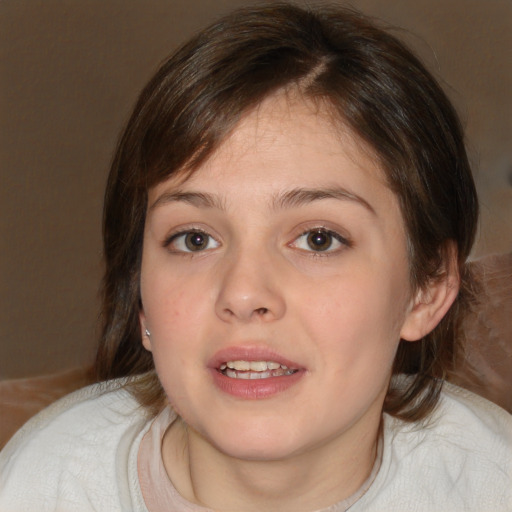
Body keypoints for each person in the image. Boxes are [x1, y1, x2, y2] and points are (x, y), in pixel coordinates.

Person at [1, 3, 511, 511]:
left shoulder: (492, 481)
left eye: (318, 239)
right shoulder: (45, 485)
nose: (244, 294)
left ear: (428, 288)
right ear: (141, 297)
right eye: (194, 239)